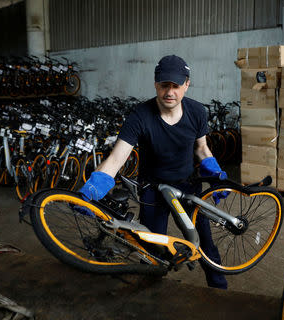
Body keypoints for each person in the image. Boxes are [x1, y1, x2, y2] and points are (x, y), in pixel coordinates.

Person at [79, 54, 228, 289]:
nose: (170, 92)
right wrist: (92, 188)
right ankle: (150, 295)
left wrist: (215, 173)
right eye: (164, 85)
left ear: (186, 85)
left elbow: (201, 148)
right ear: (156, 84)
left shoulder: (197, 112)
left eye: (176, 86)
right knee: (151, 249)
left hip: (187, 187)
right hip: (153, 190)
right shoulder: (140, 116)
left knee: (205, 244)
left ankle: (219, 290)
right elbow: (117, 157)